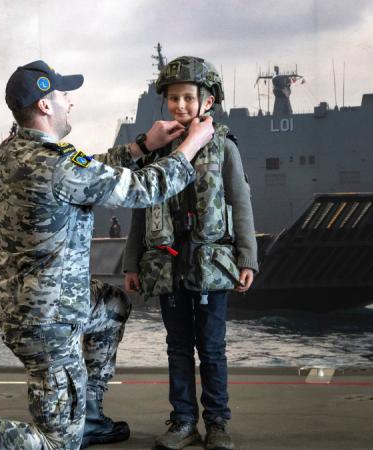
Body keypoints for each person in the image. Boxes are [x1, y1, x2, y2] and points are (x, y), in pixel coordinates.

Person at [0, 59, 215, 450]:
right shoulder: (58, 165)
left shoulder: (12, 152)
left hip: (33, 303)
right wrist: (189, 146)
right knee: (57, 444)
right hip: (50, 323)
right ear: (45, 105)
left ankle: (89, 417)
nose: (70, 103)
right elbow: (142, 189)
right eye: (64, 95)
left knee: (113, 305)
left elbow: (87, 169)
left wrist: (142, 145)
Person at [123, 56, 258, 450]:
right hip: (166, 264)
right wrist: (132, 264)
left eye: (187, 97)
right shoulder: (154, 151)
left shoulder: (224, 148)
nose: (179, 105)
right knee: (178, 345)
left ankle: (217, 422)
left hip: (212, 264)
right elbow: (140, 211)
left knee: (212, 346)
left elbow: (240, 201)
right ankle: (183, 421)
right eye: (172, 99)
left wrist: (247, 258)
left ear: (208, 101)